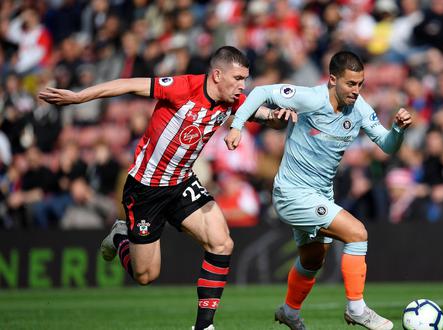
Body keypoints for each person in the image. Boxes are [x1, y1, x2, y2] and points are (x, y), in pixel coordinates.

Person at [39, 46, 296, 330]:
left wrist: (278, 117)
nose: (242, 86)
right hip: (146, 188)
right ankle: (121, 237)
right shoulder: (183, 87)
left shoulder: (234, 100)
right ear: (217, 75)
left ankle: (204, 326)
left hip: (182, 182)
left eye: (245, 79)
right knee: (146, 275)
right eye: (237, 78)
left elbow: (263, 116)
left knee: (222, 242)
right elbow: (128, 84)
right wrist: (79, 96)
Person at [225, 51, 412, 330]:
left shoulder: (359, 109)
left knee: (313, 259)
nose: (356, 91)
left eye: (360, 84)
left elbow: (386, 145)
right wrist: (237, 125)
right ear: (333, 80)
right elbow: (261, 91)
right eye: (350, 84)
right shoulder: (310, 98)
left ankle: (289, 311)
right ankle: (357, 308)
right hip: (291, 192)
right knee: (357, 233)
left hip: (321, 194)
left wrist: (397, 130)